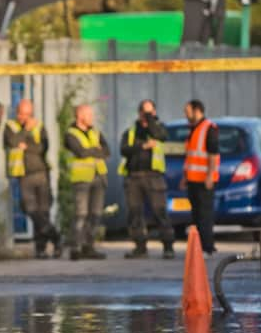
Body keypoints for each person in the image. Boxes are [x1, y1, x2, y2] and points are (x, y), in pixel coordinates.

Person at [3, 99, 61, 259]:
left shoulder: (40, 126)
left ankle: (41, 249)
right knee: (30, 209)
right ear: (17, 112)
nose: (24, 117)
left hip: (41, 172)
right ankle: (55, 236)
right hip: (23, 174)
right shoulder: (10, 126)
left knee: (43, 211)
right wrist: (26, 132)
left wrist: (26, 145)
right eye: (22, 113)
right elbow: (12, 141)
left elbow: (42, 148)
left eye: (28, 114)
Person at [119, 100, 175, 259]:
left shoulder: (158, 128)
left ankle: (168, 246)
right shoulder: (131, 131)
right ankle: (140, 246)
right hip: (134, 177)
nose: (147, 115)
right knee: (135, 212)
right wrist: (142, 146)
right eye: (145, 112)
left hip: (153, 176)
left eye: (151, 112)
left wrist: (150, 120)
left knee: (160, 212)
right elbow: (123, 149)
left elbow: (160, 136)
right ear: (139, 113)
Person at [65, 104, 109, 260]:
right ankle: (75, 248)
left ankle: (88, 247)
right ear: (80, 116)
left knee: (95, 215)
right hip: (82, 179)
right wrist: (96, 150)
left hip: (99, 177)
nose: (92, 118)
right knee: (81, 215)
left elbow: (107, 151)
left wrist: (93, 151)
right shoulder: (71, 134)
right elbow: (80, 152)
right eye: (89, 115)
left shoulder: (95, 132)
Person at [180, 99, 219, 255]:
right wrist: (185, 176)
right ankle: (199, 247)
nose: (185, 115)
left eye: (187, 111)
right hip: (193, 180)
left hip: (204, 180)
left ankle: (207, 247)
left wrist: (210, 175)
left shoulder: (209, 128)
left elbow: (213, 154)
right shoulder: (194, 129)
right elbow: (190, 157)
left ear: (197, 111)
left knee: (204, 215)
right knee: (197, 216)